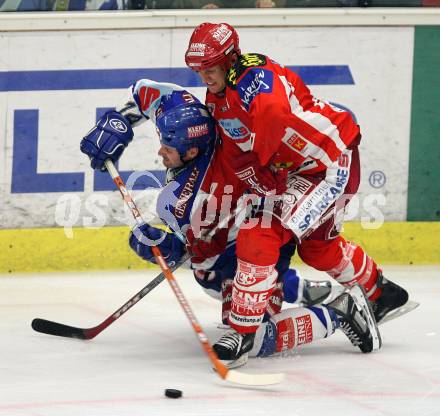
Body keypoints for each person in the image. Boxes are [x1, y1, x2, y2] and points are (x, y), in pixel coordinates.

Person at [80, 79, 381, 367]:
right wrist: (119, 122)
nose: (161, 152)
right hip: (249, 226)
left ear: (192, 151)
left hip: (260, 240)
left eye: (167, 149)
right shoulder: (193, 120)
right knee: (232, 284)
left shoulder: (191, 201)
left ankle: (343, 312)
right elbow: (145, 93)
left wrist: (166, 247)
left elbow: (203, 261)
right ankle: (299, 288)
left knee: (254, 337)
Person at [184, 22, 408, 363]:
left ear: (230, 59)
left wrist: (265, 164)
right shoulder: (217, 99)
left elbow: (273, 114)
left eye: (210, 69)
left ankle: (243, 332)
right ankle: (382, 292)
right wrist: (218, 207)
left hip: (328, 162)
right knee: (318, 250)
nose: (205, 78)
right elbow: (231, 156)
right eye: (199, 71)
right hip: (301, 169)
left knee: (259, 230)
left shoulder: (254, 77)